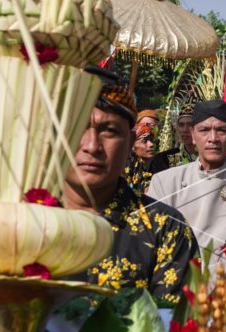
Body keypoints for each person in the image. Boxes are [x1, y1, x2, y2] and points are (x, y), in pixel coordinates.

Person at [60, 84, 197, 307]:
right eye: (78, 127)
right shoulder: (21, 216)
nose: (92, 146)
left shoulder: (165, 228)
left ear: (131, 142)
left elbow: (174, 329)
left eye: (109, 131)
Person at [146, 99, 226, 266]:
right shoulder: (165, 182)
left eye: (221, 130)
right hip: (175, 282)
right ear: (193, 135)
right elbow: (150, 242)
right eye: (204, 130)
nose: (213, 138)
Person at [149, 103, 197, 174]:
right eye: (181, 125)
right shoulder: (163, 160)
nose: (185, 129)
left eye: (190, 124)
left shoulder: (210, 157)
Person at [124, 123, 157, 195]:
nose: (151, 144)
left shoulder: (158, 165)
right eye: (144, 141)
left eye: (151, 140)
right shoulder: (126, 168)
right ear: (132, 145)